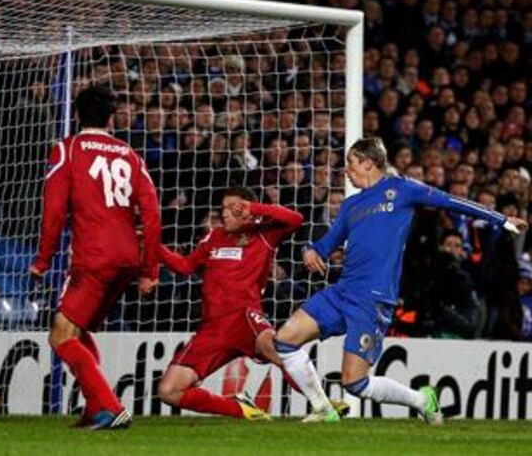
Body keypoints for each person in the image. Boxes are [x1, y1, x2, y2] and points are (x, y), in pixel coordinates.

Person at [274, 137, 527, 422]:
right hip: (342, 291)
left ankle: (421, 399)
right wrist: (310, 250)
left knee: (354, 383)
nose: (346, 171)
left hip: (372, 299)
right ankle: (322, 407)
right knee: (284, 340)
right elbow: (326, 244)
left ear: (368, 162)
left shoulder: (401, 189)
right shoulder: (350, 205)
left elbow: (451, 201)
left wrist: (501, 219)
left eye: (350, 163)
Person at [29, 85, 161, 430]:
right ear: (111, 119)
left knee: (61, 336)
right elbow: (151, 212)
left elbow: (54, 211)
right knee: (79, 330)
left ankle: (110, 407)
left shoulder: (67, 150)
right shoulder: (130, 154)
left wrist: (43, 260)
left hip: (94, 258)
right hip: (128, 260)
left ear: (76, 115)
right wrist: (149, 269)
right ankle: (94, 409)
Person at [157, 187, 350, 420]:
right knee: (169, 391)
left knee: (277, 348)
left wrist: (254, 208)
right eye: (224, 208)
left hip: (244, 317)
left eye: (233, 208)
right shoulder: (214, 236)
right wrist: (154, 247)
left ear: (247, 211)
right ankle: (240, 409)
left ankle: (323, 404)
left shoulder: (263, 234)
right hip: (212, 329)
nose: (225, 213)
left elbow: (295, 219)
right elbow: (185, 266)